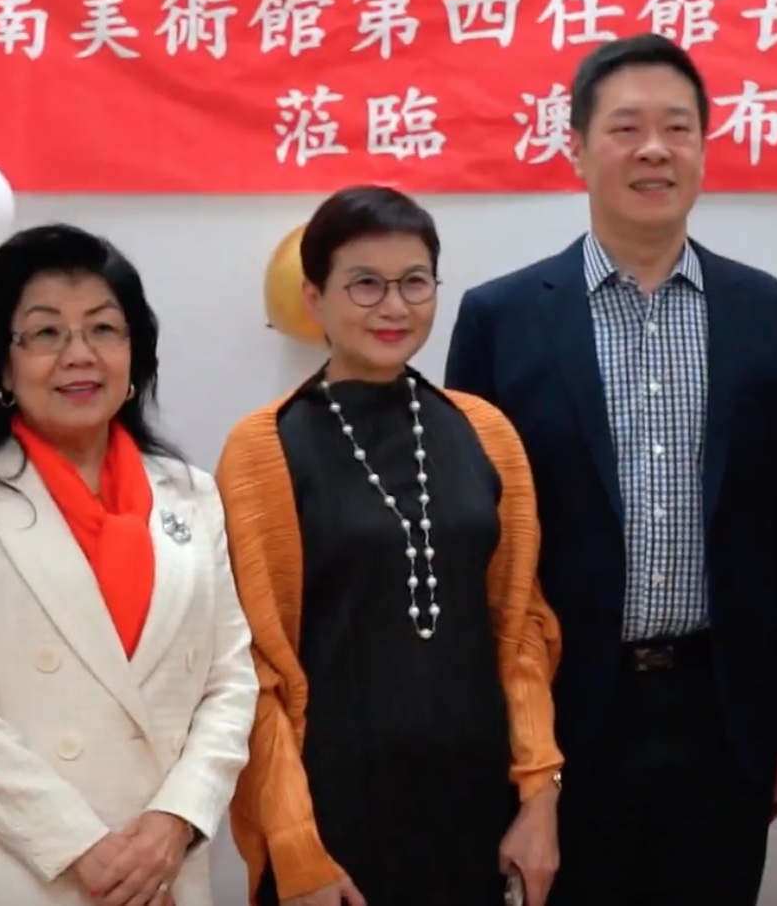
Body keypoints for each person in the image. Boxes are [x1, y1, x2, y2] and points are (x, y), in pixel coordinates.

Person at [444, 34, 777, 906]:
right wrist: (499, 729)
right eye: (626, 128)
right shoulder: (501, 318)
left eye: (677, 128)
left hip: (723, 714)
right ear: (577, 147)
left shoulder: (770, 313)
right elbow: (476, 545)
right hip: (564, 717)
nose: (655, 149)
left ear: (703, 149)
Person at [0, 224, 258, 906]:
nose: (79, 355)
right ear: (3, 366)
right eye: (46, 333)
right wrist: (81, 846)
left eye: (103, 329)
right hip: (17, 862)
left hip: (163, 867)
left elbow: (231, 679)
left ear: (135, 352)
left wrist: (177, 819)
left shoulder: (191, 493)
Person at [219, 186, 563, 906]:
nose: (394, 306)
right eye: (365, 284)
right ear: (314, 297)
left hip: (478, 808)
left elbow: (521, 632)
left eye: (414, 282)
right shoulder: (263, 448)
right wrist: (295, 847)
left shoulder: (486, 432)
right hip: (333, 817)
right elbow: (255, 672)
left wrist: (539, 795)